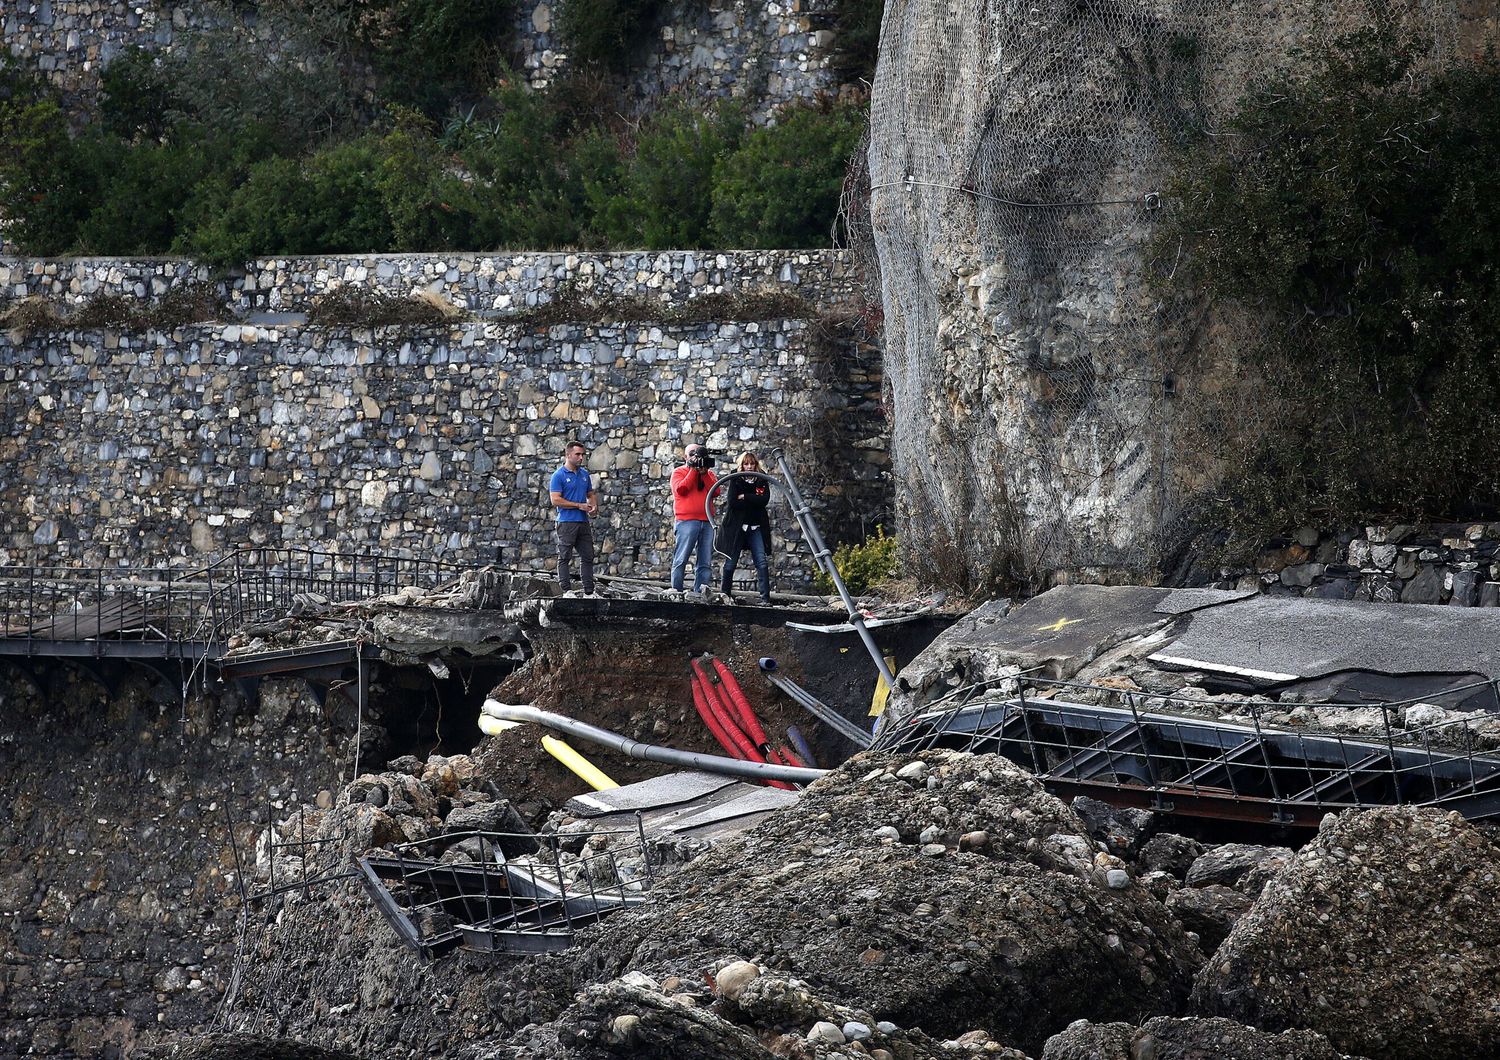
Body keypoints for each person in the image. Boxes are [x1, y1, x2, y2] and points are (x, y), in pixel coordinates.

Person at [719, 451, 773, 604]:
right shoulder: (735, 478)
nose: (749, 466)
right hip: (737, 526)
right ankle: (725, 595)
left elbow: (764, 500)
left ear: (756, 464)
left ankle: (765, 598)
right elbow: (732, 502)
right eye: (746, 463)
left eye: (752, 463)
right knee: (731, 560)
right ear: (741, 465)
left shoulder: (762, 479)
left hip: (755, 526)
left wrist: (745, 496)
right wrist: (753, 500)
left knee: (761, 561)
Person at [549, 440, 597, 596]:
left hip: (583, 521)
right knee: (564, 556)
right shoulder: (558, 476)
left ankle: (589, 592)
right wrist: (578, 505)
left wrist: (593, 506)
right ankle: (566, 591)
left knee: (588, 556)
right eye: (577, 454)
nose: (581, 458)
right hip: (566, 522)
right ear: (568, 455)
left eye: (582, 454)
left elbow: (590, 494)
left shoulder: (584, 475)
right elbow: (555, 500)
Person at [670, 442, 717, 594]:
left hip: (707, 521)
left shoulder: (708, 473)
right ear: (685, 457)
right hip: (686, 521)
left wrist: (703, 473)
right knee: (681, 559)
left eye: (697, 455)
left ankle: (700, 593)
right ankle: (676, 592)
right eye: (692, 454)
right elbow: (681, 490)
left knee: (705, 561)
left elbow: (716, 492)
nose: (695, 458)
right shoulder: (678, 472)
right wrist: (693, 471)